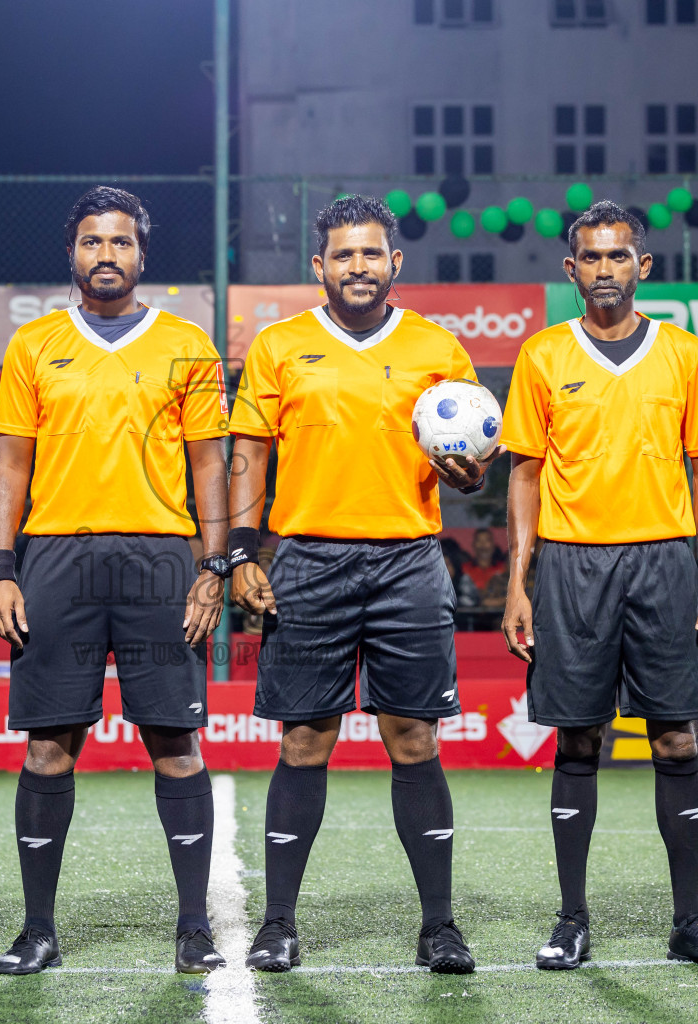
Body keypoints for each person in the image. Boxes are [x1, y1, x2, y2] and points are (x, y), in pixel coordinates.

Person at [228, 195, 495, 975]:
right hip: (307, 561)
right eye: (342, 255)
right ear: (319, 267)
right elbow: (248, 452)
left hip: (409, 561)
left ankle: (439, 926)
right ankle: (278, 923)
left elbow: (476, 457)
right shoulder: (279, 346)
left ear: (394, 264)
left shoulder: (438, 348)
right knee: (305, 741)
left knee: (413, 738)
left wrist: (474, 474)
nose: (357, 267)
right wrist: (243, 552)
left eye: (370, 254)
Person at [0, 186, 230, 975]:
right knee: (50, 747)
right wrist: (0, 569)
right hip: (56, 558)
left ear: (141, 254)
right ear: (72, 253)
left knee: (176, 744)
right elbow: (9, 468)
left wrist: (212, 567)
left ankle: (194, 926)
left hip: (162, 560)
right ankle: (37, 929)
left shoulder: (187, 344)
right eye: (92, 242)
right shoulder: (33, 345)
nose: (106, 255)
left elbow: (209, 467)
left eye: (120, 242)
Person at [499, 200, 698, 971]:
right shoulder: (541, 355)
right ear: (570, 269)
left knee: (675, 737)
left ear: (645, 264)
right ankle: (572, 918)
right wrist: (519, 582)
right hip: (573, 568)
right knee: (578, 739)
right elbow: (525, 473)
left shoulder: (686, 354)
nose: (605, 269)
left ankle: (690, 921)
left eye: (619, 256)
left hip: (666, 565)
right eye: (591, 257)